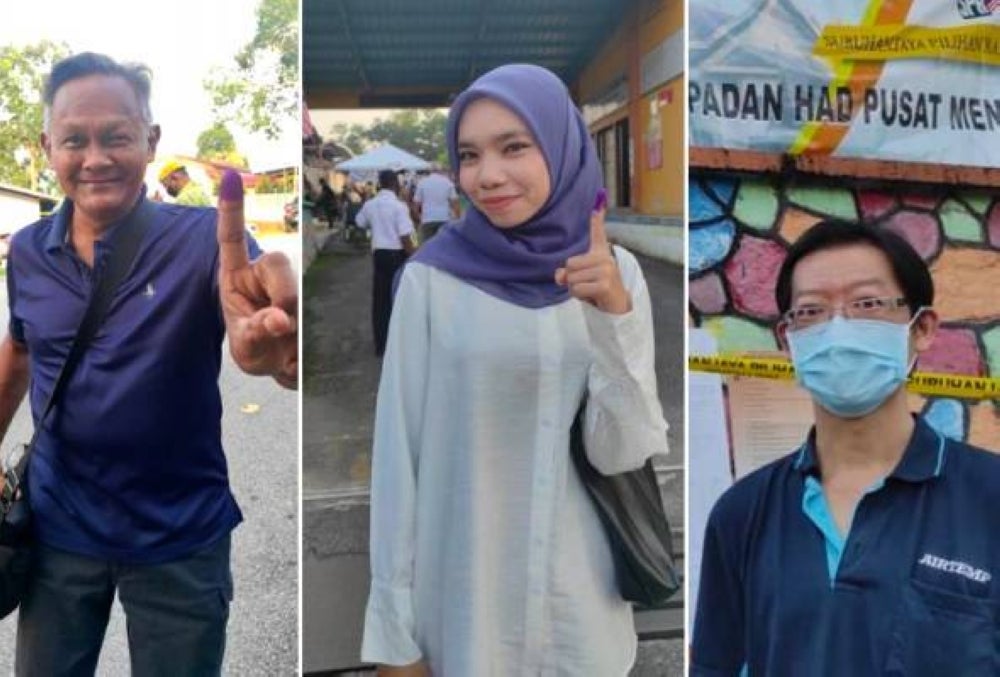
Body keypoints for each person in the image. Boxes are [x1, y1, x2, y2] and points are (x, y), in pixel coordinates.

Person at [360, 64, 669, 676]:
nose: (488, 175)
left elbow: (624, 450)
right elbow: (399, 454)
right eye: (469, 155)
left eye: (514, 147)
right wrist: (395, 631)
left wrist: (613, 318)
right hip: (467, 609)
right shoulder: (430, 280)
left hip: (580, 608)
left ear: (561, 145)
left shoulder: (617, 274)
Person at [2, 52, 297, 675]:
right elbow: (22, 351)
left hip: (180, 537)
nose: (95, 158)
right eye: (74, 140)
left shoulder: (203, 241)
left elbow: (256, 322)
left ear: (150, 139)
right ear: (47, 146)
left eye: (117, 136)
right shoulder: (27, 251)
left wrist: (276, 355)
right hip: (58, 532)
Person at [691, 220, 1000, 676]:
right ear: (787, 341)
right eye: (811, 311)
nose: (839, 329)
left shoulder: (989, 497)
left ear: (922, 329)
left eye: (867, 304)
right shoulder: (742, 514)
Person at [355, 169, 416, 356]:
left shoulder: (370, 205)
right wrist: (415, 255)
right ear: (395, 184)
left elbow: (359, 223)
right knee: (400, 298)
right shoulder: (399, 207)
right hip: (397, 255)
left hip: (379, 255)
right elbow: (405, 236)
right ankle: (402, 343)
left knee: (380, 301)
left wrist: (376, 225)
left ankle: (381, 346)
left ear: (380, 184)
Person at [411, 166, 459, 243]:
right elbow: (455, 203)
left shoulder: (422, 182)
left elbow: (416, 205)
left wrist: (419, 218)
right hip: (444, 218)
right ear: (440, 171)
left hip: (427, 219)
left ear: (430, 171)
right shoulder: (447, 182)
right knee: (445, 245)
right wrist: (457, 219)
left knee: (429, 247)